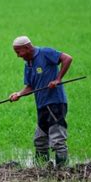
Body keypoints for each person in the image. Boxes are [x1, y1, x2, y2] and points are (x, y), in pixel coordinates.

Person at [9, 36, 73, 168]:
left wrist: (58, 79)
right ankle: (41, 169)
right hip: (42, 105)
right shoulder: (29, 65)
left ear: (27, 48)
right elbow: (30, 87)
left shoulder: (45, 53)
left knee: (57, 139)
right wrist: (19, 94)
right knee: (40, 140)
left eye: (18, 52)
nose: (18, 56)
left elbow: (67, 58)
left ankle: (62, 171)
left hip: (55, 103)